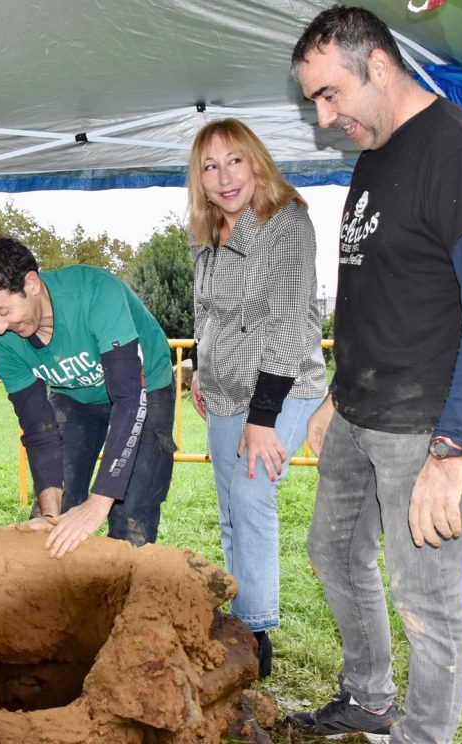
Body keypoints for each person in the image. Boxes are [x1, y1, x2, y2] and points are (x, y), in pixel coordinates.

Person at [288, 7, 462, 742]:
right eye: (314, 104)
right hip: (359, 413)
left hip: (424, 427)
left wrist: (452, 451)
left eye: (330, 96)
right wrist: (336, 394)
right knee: (331, 551)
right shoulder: (377, 150)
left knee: (425, 600)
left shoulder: (459, 152)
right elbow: (379, 289)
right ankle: (367, 698)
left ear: (379, 69)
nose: (325, 119)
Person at [186, 118, 326, 680]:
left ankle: (257, 633)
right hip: (222, 390)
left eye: (234, 160)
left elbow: (292, 326)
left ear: (256, 162)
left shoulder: (287, 222)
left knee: (250, 492)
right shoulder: (204, 231)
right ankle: (240, 613)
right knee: (229, 507)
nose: (224, 177)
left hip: (282, 386)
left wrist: (262, 420)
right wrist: (199, 367)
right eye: (210, 166)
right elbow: (205, 312)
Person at [0, 237, 176, 559]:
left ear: (31, 283)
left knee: (130, 514)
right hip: (75, 398)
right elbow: (38, 429)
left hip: (144, 388)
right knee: (50, 517)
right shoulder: (5, 341)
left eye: (3, 311)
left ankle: (124, 598)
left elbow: (129, 399)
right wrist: (51, 512)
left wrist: (100, 501)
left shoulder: (96, 292)